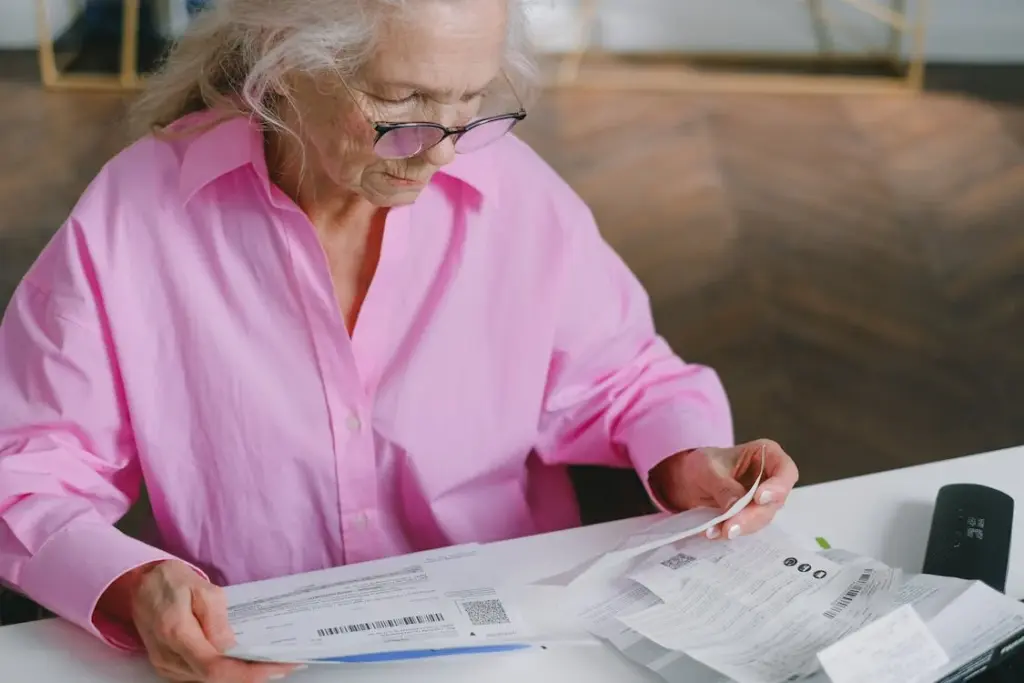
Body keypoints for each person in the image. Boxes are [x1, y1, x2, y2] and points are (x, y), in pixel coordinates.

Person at [0, 0, 799, 681]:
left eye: (470, 102)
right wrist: (133, 583)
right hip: (262, 656)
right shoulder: (136, 216)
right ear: (281, 66)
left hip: (503, 647)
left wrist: (693, 459)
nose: (443, 151)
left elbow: (625, 379)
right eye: (404, 103)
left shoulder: (512, 195)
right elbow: (29, 469)